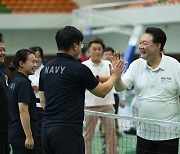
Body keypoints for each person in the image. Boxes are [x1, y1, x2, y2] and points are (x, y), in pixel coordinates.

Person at [38, 26, 126, 154]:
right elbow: (102, 91)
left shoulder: (45, 69)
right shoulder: (79, 69)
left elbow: (43, 100)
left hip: (46, 130)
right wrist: (115, 75)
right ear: (75, 46)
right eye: (81, 44)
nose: (81, 47)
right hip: (68, 131)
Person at [114, 27, 180, 154]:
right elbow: (119, 87)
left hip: (169, 134)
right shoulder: (136, 65)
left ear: (157, 46)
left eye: (145, 43)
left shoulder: (174, 66)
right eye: (140, 43)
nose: (140, 46)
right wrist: (116, 76)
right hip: (144, 133)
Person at [83, 39, 118, 154]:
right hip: (90, 105)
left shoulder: (108, 64)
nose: (97, 51)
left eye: (99, 49)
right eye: (94, 49)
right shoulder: (84, 66)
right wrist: (105, 78)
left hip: (107, 104)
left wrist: (96, 77)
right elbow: (109, 78)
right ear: (89, 51)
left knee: (111, 135)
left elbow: (114, 78)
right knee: (87, 135)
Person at [8, 49, 38, 154]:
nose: (35, 64)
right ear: (21, 63)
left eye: (36, 61)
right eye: (32, 61)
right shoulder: (23, 83)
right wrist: (29, 137)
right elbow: (23, 111)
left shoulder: (14, 81)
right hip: (22, 135)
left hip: (14, 132)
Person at [103, 47, 126, 136]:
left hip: (114, 95)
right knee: (103, 116)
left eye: (110, 54)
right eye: (106, 54)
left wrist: (123, 99)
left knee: (114, 114)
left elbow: (123, 82)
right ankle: (103, 131)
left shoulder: (117, 67)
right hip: (103, 95)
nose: (108, 56)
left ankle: (114, 130)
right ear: (102, 55)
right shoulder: (100, 67)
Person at [29, 46, 44, 154]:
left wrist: (39, 88)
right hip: (29, 107)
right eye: (34, 57)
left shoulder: (45, 71)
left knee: (40, 137)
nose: (36, 60)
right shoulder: (27, 71)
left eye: (38, 57)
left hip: (41, 108)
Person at [0, 33, 10, 154]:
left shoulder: (3, 72)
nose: (3, 53)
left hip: (5, 129)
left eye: (4, 49)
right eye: (0, 50)